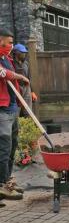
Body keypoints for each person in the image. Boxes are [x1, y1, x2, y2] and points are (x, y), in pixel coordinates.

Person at [0, 28, 30, 201]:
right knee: (3, 147)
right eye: (9, 42)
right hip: (2, 110)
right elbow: (3, 74)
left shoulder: (7, 58)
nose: (11, 46)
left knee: (11, 147)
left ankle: (6, 181)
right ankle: (1, 185)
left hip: (12, 108)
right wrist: (19, 76)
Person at [12, 43, 37, 116]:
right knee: (16, 109)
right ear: (16, 53)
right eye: (22, 53)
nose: (24, 54)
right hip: (16, 87)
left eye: (25, 53)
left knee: (28, 110)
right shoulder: (11, 63)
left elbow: (29, 78)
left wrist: (32, 91)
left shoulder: (26, 63)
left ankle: (28, 125)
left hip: (26, 87)